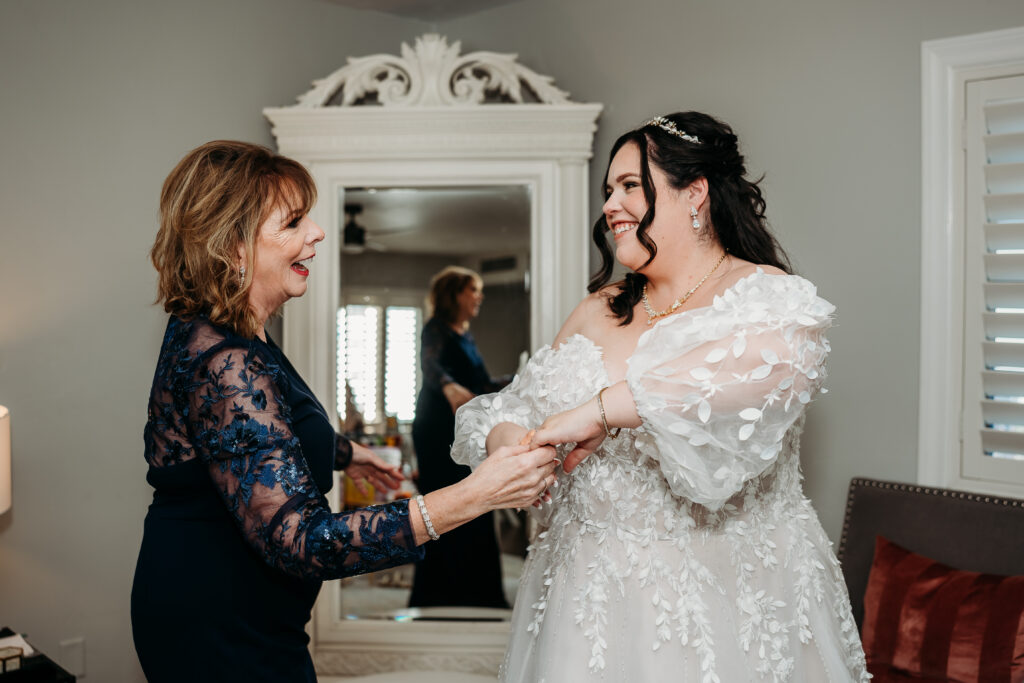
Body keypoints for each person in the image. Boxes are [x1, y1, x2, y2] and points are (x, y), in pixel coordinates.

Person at [452, 113, 870, 681]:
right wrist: (515, 446)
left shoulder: (768, 299)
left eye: (630, 186)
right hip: (586, 596)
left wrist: (597, 412)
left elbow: (749, 377)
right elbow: (514, 407)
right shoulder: (600, 307)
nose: (610, 205)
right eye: (608, 191)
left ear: (694, 193)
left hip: (727, 599)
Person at [130, 141, 558, 683]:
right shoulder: (224, 357)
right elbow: (305, 543)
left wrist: (346, 451)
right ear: (233, 247)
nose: (317, 232)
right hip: (219, 621)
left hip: (243, 608)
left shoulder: (235, 333)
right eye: (293, 221)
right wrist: (476, 495)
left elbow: (246, 438)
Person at [409, 266, 513, 608]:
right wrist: (449, 387)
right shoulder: (435, 329)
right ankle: (438, 595)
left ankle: (477, 595)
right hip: (437, 428)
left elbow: (481, 386)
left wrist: (520, 380)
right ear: (454, 295)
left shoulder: (465, 336)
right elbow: (432, 366)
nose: (479, 296)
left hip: (463, 428)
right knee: (444, 504)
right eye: (473, 290)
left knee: (477, 503)